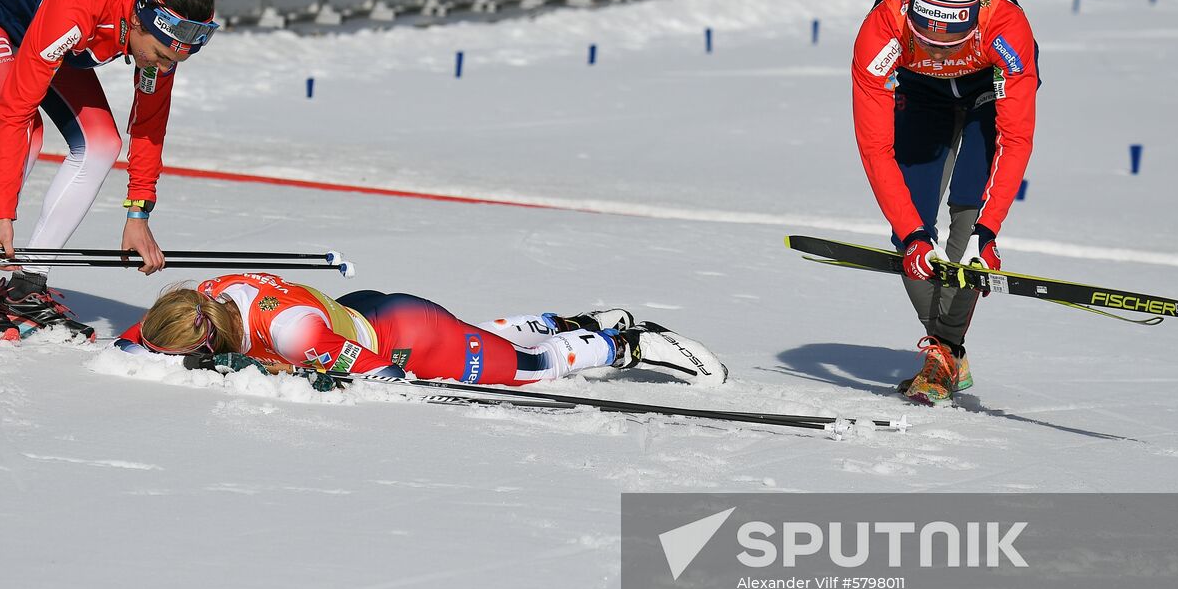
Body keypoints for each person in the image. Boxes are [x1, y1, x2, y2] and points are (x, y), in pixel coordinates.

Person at [0, 0, 220, 340]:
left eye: (173, 60)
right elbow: (15, 113)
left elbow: (149, 126)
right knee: (27, 132)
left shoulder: (162, 33)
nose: (161, 66)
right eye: (157, 54)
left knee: (102, 142)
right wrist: (4, 217)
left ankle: (27, 287)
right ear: (137, 20)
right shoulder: (79, 9)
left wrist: (138, 214)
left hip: (39, 13)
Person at [850, 0, 1039, 405]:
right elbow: (876, 149)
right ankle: (948, 349)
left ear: (972, 24)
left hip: (986, 93)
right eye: (926, 38)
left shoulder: (1005, 25)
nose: (936, 48)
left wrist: (988, 232)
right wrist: (913, 235)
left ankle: (943, 355)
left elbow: (1014, 142)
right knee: (908, 225)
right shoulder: (884, 25)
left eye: (948, 42)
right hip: (922, 94)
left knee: (969, 216)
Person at [113, 273, 728, 387]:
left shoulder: (295, 332)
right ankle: (576, 323)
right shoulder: (197, 302)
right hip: (362, 312)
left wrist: (300, 375)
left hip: (404, 334)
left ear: (208, 337)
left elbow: (375, 374)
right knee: (482, 336)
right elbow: (137, 338)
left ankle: (629, 344)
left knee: (527, 370)